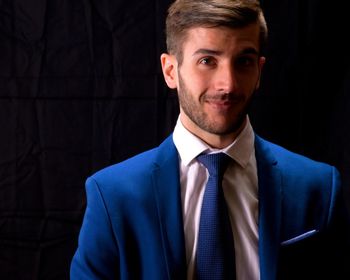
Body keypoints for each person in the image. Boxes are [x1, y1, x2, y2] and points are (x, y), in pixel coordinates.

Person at [70, 0, 350, 279]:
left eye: (243, 61)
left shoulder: (319, 188)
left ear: (259, 71)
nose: (227, 84)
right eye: (207, 61)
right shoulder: (112, 196)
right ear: (170, 71)